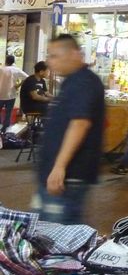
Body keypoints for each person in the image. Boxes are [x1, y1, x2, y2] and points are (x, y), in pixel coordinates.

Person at [35, 35, 105, 224]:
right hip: (59, 176)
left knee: (55, 235)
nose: (50, 62)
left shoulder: (83, 82)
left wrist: (59, 167)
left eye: (54, 56)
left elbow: (80, 123)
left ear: (74, 54)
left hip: (68, 177)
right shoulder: (72, 82)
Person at [0, 55, 27, 132]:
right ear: (13, 62)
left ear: (6, 61)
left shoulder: (1, 69)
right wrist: (18, 85)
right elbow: (27, 77)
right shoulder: (16, 70)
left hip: (0, 94)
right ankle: (5, 129)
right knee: (8, 112)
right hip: (11, 94)